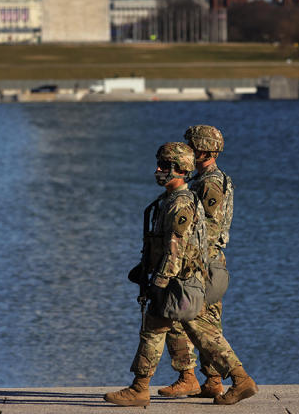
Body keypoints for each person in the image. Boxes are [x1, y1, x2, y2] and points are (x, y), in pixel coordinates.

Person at [104, 142, 256, 407]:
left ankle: (140, 389)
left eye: (164, 166)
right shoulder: (172, 201)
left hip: (178, 284)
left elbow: (176, 250)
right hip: (183, 283)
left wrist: (159, 282)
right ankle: (240, 379)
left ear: (180, 169)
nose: (158, 170)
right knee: (203, 334)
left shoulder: (180, 205)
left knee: (154, 331)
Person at [156, 125, 256, 404]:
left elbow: (207, 228)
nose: (186, 152)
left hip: (204, 262)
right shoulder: (207, 179)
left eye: (190, 147)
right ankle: (212, 380)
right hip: (207, 261)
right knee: (205, 322)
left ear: (202, 150)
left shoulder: (210, 183)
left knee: (183, 318)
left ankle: (191, 376)